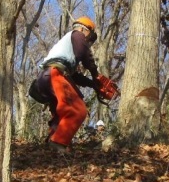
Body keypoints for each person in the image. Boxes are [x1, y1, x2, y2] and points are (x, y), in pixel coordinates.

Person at [28, 16, 115, 152]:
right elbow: (83, 51)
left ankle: (51, 145)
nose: (88, 42)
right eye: (89, 38)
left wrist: (93, 84)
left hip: (46, 77)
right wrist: (95, 73)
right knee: (78, 110)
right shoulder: (77, 35)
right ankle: (58, 143)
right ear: (83, 29)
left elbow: (75, 77)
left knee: (61, 114)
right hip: (55, 74)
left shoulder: (65, 51)